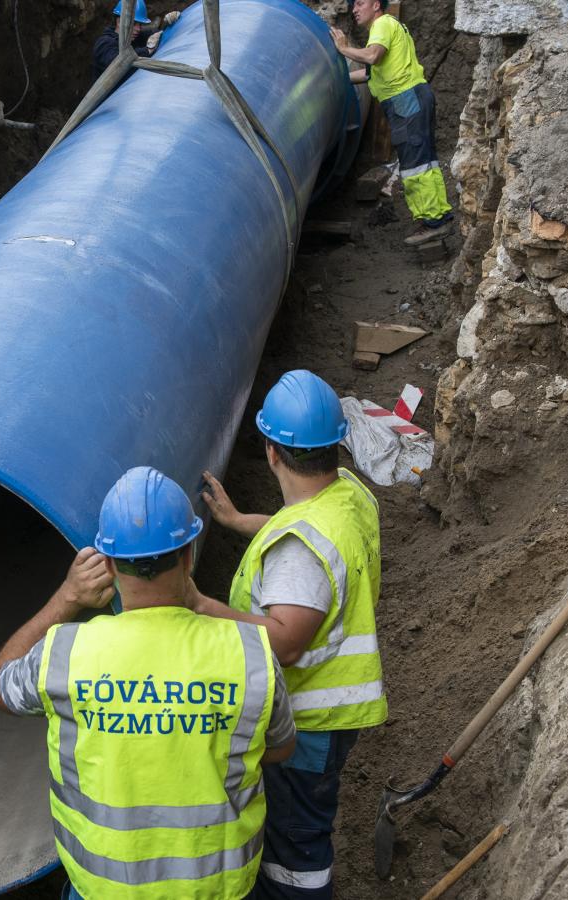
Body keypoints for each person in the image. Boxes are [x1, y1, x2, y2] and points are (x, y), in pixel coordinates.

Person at [0, 466, 297, 899]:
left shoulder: (65, 656)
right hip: (215, 890)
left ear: (108, 563)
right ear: (189, 553)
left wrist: (67, 598)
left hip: (104, 889)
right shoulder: (250, 654)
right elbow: (280, 748)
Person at [192, 370, 386, 900]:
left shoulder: (301, 551)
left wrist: (199, 606)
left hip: (307, 719)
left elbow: (285, 640)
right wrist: (236, 520)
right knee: (295, 830)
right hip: (332, 710)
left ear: (272, 452)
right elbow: (296, 521)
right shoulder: (348, 494)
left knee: (295, 849)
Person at [331, 0, 454, 246]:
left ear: (376, 5)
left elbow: (373, 57)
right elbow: (369, 73)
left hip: (406, 98)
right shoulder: (388, 28)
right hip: (412, 97)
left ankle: (434, 223)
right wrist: (336, 76)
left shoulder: (382, 24)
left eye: (360, 3)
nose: (354, 9)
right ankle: (437, 217)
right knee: (423, 161)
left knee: (415, 163)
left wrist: (343, 49)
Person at [91, 1, 182, 79]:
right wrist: (147, 50)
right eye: (134, 23)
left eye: (140, 24)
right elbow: (118, 62)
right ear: (119, 21)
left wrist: (167, 23)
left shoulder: (134, 36)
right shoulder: (104, 44)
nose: (138, 29)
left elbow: (155, 34)